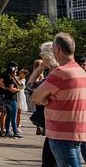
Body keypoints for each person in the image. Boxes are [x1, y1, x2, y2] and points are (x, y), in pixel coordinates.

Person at [32, 32, 86, 166]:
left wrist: (45, 99)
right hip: (78, 131)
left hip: (60, 133)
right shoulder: (81, 71)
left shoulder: (60, 73)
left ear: (57, 50)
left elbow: (35, 97)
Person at [0, 61, 21, 138]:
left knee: (7, 115)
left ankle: (6, 131)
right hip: (7, 97)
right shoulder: (7, 76)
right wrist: (8, 89)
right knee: (7, 114)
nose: (17, 71)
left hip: (5, 96)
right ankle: (9, 131)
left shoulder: (10, 76)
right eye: (16, 69)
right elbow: (0, 83)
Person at [15, 68, 29, 134]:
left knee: (19, 111)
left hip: (20, 96)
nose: (20, 73)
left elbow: (20, 86)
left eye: (21, 73)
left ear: (24, 74)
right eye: (20, 72)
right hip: (15, 95)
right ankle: (13, 125)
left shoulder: (23, 80)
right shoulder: (16, 77)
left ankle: (17, 126)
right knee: (14, 111)